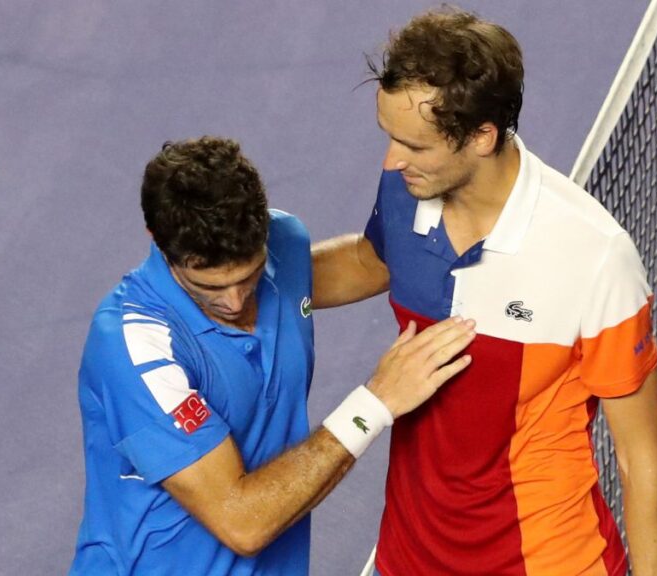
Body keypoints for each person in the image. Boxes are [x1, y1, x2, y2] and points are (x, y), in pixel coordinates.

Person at [312, 8, 657, 576]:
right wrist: (253, 278)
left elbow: (641, 459)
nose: (392, 160)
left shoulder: (595, 257)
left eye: (415, 145)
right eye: (391, 137)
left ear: (482, 136)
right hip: (410, 559)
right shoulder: (408, 185)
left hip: (549, 560)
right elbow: (372, 260)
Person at [69, 136, 476, 575]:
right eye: (208, 287)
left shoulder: (283, 242)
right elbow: (242, 522)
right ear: (157, 240)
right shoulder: (135, 346)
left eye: (250, 275)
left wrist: (435, 165)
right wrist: (375, 403)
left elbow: (368, 264)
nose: (234, 300)